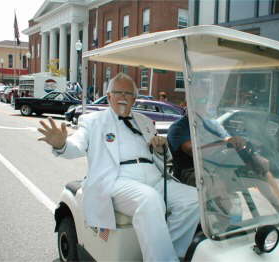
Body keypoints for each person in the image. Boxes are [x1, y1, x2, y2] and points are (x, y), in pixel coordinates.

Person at [37, 73, 199, 262]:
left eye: (128, 93)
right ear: (109, 96)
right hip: (117, 180)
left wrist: (159, 148)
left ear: (134, 99)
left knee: (194, 199)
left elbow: (162, 158)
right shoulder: (93, 121)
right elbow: (76, 145)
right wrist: (61, 144)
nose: (123, 97)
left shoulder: (144, 121)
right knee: (150, 200)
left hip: (153, 176)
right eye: (118, 92)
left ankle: (173, 252)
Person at [167, 114, 279, 212]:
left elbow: (228, 139)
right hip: (192, 171)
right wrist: (226, 143)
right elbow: (192, 150)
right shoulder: (179, 128)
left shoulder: (211, 124)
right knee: (216, 184)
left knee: (261, 173)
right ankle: (223, 226)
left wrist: (254, 156)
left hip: (217, 167)